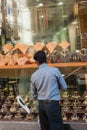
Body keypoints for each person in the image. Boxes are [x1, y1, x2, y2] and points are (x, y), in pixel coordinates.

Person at [30, 50, 67, 130]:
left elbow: (33, 94)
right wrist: (57, 86)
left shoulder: (34, 75)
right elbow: (64, 87)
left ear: (36, 62)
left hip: (41, 105)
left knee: (45, 127)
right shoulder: (55, 71)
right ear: (46, 59)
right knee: (56, 127)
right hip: (53, 104)